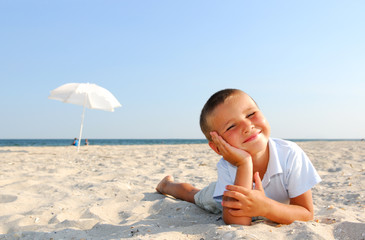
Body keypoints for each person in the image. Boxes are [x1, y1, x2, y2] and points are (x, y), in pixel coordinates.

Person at [156, 89, 321, 226]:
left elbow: (306, 213)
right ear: (217, 146)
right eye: (232, 126)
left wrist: (265, 207)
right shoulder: (227, 166)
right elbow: (237, 223)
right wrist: (243, 163)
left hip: (269, 206)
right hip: (224, 194)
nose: (247, 126)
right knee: (194, 195)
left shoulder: (290, 154)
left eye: (251, 114)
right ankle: (167, 185)